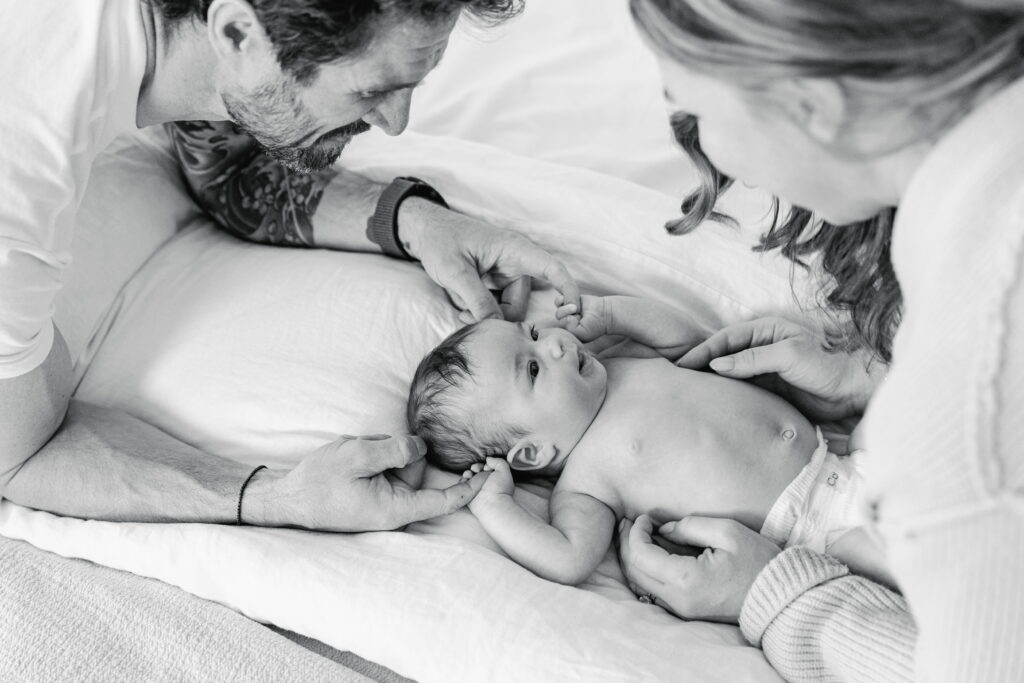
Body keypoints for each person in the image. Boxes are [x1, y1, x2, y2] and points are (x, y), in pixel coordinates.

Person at [0, 0, 581, 532]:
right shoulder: (17, 179)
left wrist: (414, 222)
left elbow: (226, 170)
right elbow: (19, 457)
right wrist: (276, 498)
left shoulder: (185, 34)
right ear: (236, 31)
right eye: (371, 90)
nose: (395, 121)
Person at [617, 0, 1024, 681]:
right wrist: (881, 375)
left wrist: (779, 595)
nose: (705, 149)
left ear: (814, 104)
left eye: (695, 109)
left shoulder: (961, 407)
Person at [407, 294, 893, 588]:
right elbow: (568, 558)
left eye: (532, 332)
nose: (554, 343)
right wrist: (496, 507)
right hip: (817, 531)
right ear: (532, 453)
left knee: (911, 391)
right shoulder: (586, 485)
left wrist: (614, 314)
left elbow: (685, 342)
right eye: (533, 368)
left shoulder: (619, 364)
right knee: (907, 555)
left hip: (845, 453)